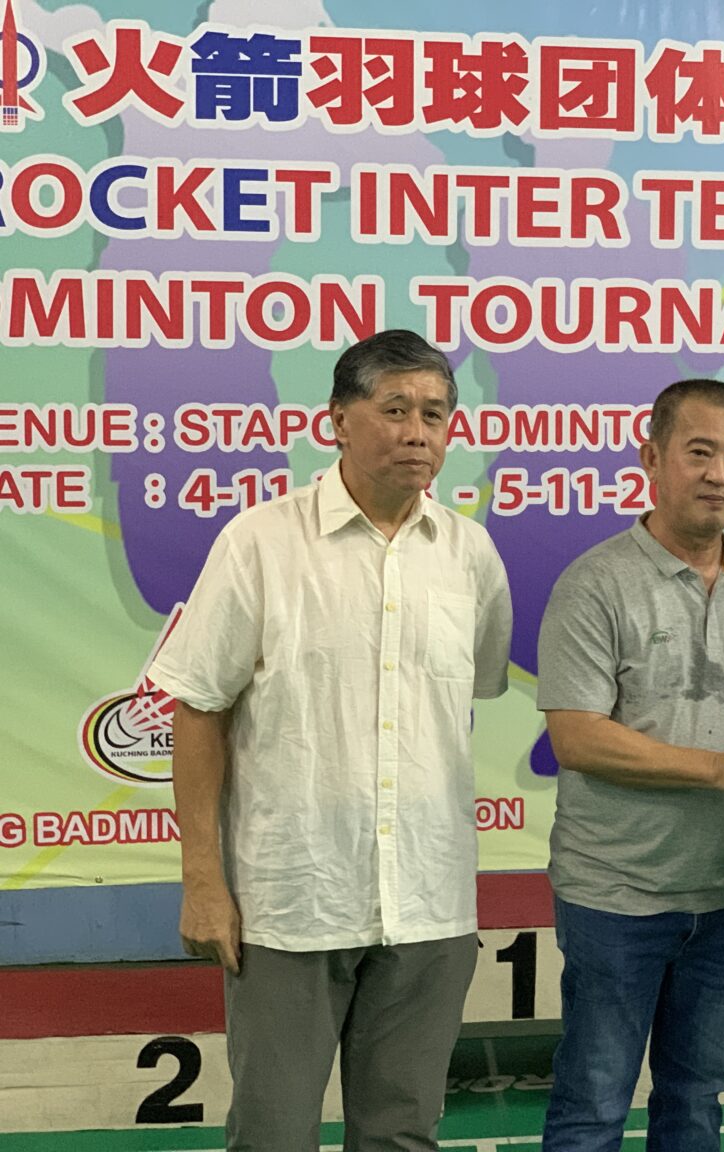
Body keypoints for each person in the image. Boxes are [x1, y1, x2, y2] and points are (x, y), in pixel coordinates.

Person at [151, 330, 514, 1149]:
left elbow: (467, 695)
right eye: (395, 410)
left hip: (427, 903)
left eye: (435, 414)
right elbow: (198, 709)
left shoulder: (469, 555)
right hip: (293, 902)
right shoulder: (261, 543)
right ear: (338, 421)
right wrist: (203, 881)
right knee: (274, 1134)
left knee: (402, 1134)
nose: (417, 433)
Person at [535, 378, 724, 1152]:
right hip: (615, 899)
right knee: (593, 1105)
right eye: (700, 453)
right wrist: (718, 768)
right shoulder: (595, 584)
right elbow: (577, 738)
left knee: (696, 1099)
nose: (719, 474)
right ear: (652, 458)